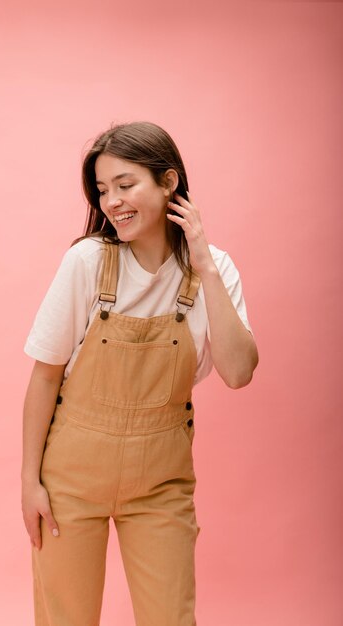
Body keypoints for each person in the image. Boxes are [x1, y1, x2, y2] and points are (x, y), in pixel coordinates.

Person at [21, 121, 259, 626]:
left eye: (125, 185)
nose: (112, 202)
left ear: (168, 182)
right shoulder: (88, 261)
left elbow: (238, 373)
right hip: (71, 476)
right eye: (103, 190)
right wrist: (29, 482)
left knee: (172, 618)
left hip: (161, 480)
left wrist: (205, 265)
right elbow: (45, 377)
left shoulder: (215, 269)